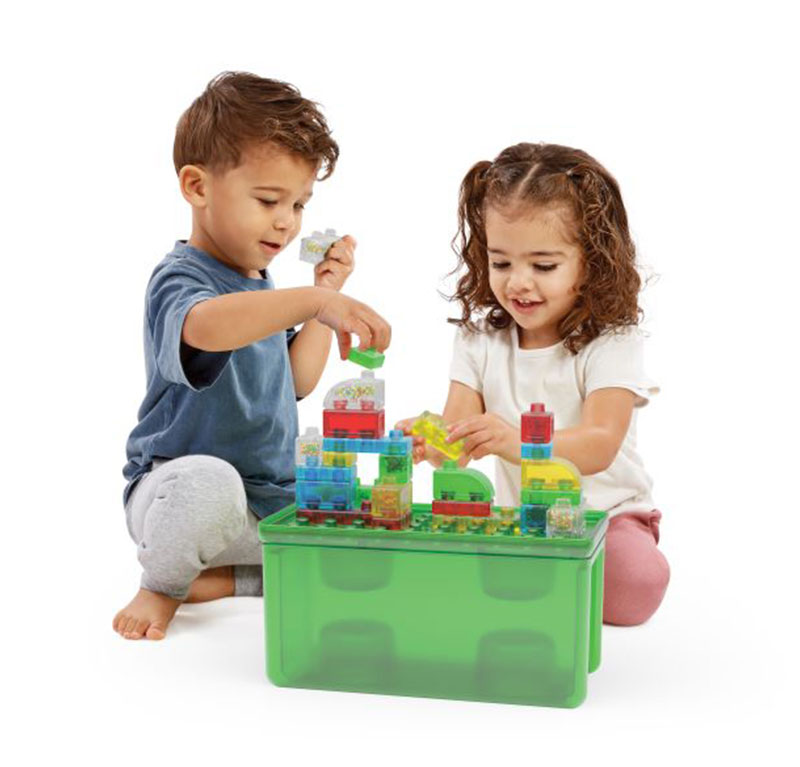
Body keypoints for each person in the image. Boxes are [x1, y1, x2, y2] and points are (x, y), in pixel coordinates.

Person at [114, 72, 391, 640]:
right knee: (209, 486)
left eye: (299, 204)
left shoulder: (264, 287)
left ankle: (231, 579)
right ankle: (161, 585)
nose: (287, 221)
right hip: (180, 497)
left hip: (266, 504)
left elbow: (296, 382)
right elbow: (205, 328)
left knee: (366, 521)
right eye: (268, 200)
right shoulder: (180, 278)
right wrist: (313, 300)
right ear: (197, 187)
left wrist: (323, 298)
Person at [398, 142, 668, 625]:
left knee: (634, 583)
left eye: (543, 266)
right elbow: (457, 445)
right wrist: (429, 438)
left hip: (607, 517)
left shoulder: (611, 342)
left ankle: (563, 580)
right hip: (525, 522)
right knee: (456, 574)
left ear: (591, 262)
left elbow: (600, 444)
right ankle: (545, 581)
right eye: (501, 263)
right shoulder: (479, 339)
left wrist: (514, 441)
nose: (518, 282)